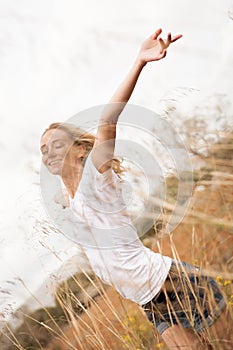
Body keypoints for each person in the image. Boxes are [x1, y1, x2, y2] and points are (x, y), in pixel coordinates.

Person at [40, 29, 231, 349]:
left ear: (78, 150)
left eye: (57, 144)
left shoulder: (94, 176)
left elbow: (107, 120)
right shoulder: (69, 197)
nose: (48, 153)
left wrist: (139, 62)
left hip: (173, 282)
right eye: (44, 150)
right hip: (149, 300)